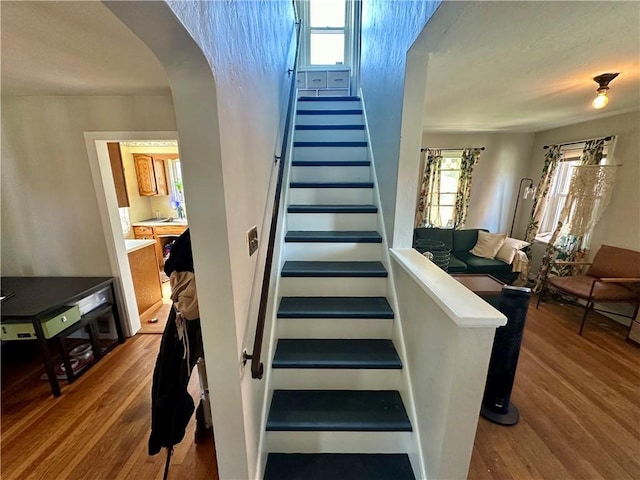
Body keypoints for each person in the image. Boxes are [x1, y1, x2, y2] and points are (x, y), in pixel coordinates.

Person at [148, 229, 209, 476]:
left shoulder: (192, 238)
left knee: (170, 373)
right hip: (190, 316)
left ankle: (167, 430)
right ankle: (168, 430)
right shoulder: (195, 240)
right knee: (171, 374)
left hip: (190, 313)